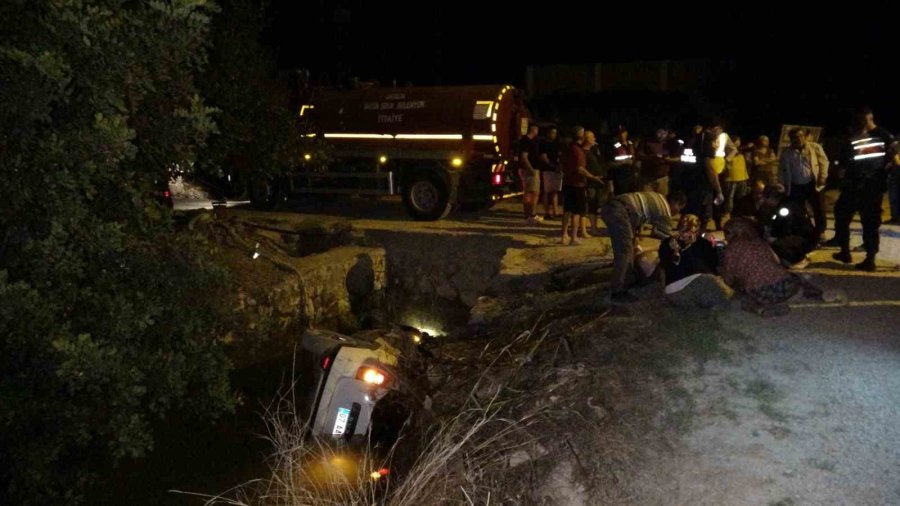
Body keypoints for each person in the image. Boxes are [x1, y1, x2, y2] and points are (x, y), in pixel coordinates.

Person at [829, 107, 895, 271]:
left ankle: (861, 256)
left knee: (863, 221)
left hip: (865, 187)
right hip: (861, 186)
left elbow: (894, 159)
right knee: (851, 217)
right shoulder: (866, 137)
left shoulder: (882, 137)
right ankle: (853, 253)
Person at [601, 191, 687, 302]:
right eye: (679, 208)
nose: (677, 213)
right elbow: (665, 238)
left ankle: (628, 278)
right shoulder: (665, 209)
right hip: (619, 211)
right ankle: (617, 291)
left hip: (614, 207)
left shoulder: (659, 197)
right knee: (624, 251)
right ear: (675, 202)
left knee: (628, 246)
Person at [722, 217, 818, 317]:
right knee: (795, 278)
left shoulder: (731, 249)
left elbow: (729, 275)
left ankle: (761, 309)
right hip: (786, 285)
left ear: (731, 233)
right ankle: (814, 293)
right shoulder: (760, 243)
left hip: (762, 290)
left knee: (740, 298)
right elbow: (776, 261)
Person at [657, 214, 733, 308]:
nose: (684, 234)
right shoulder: (671, 243)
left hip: (682, 289)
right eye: (683, 230)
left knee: (714, 289)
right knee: (721, 290)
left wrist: (712, 243)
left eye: (687, 231)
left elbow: (713, 262)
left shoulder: (701, 242)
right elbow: (713, 263)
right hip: (685, 284)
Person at [778, 127, 829, 243]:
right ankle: (805, 230)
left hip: (813, 183)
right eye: (795, 137)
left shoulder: (815, 147)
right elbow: (782, 169)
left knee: (819, 208)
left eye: (801, 136)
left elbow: (824, 162)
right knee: (799, 210)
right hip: (795, 185)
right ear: (791, 139)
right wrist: (781, 183)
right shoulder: (787, 152)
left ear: (805, 136)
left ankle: (821, 232)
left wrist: (822, 176)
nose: (798, 139)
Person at [561, 131, 604, 245]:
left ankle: (564, 234)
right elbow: (580, 168)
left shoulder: (570, 148)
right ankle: (573, 237)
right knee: (577, 212)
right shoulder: (578, 151)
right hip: (577, 183)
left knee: (567, 210)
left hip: (568, 182)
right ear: (582, 137)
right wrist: (593, 177)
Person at [758, 185, 818, 266]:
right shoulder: (781, 205)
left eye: (767, 198)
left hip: (803, 238)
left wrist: (773, 238)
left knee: (774, 245)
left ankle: (795, 258)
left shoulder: (786, 208)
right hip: (802, 236)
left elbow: (786, 228)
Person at [582, 130, 609, 236]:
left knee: (598, 205)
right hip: (590, 182)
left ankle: (595, 227)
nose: (594, 139)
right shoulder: (583, 152)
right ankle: (591, 228)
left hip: (599, 182)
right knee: (591, 204)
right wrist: (591, 177)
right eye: (592, 137)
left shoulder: (594, 151)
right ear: (586, 139)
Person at [518, 123, 543, 224]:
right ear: (533, 129)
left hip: (533, 169)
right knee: (531, 193)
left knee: (533, 192)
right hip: (529, 170)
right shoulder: (526, 141)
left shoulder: (532, 141)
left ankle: (531, 214)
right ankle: (529, 215)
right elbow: (524, 156)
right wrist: (531, 169)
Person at [539, 126, 563, 220]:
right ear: (548, 133)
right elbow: (543, 157)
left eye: (555, 133)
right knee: (547, 191)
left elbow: (560, 155)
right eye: (552, 132)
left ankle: (555, 212)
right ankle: (546, 212)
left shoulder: (557, 144)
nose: (554, 135)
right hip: (548, 169)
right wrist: (552, 166)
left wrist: (559, 166)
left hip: (556, 170)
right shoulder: (544, 143)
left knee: (555, 191)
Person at [723, 135, 751, 217]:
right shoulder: (728, 150)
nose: (738, 142)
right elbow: (734, 153)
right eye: (736, 140)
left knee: (741, 197)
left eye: (739, 140)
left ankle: (738, 213)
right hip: (731, 178)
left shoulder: (741, 151)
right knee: (729, 198)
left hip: (742, 177)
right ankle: (727, 213)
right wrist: (745, 147)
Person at [608, 126, 637, 195]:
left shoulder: (630, 143)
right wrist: (623, 162)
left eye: (623, 133)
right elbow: (611, 161)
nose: (622, 135)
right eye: (620, 134)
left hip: (630, 173)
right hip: (620, 174)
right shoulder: (615, 145)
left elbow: (634, 156)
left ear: (626, 133)